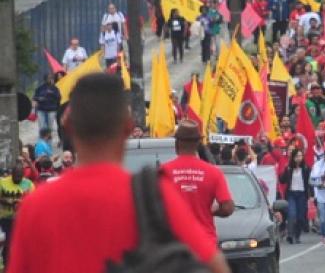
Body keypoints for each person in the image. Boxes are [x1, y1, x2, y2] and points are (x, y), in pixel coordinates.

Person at [7, 73, 230, 273]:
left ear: (67, 124)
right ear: (127, 126)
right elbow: (215, 266)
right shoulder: (153, 198)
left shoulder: (35, 207)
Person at [161, 120, 234, 241]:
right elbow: (228, 208)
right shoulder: (213, 172)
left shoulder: (163, 172)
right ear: (198, 143)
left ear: (177, 143)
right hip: (205, 245)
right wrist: (212, 210)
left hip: (175, 246)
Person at [0, 162, 35, 264]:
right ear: (12, 173)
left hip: (21, 219)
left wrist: (22, 203)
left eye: (19, 176)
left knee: (18, 243)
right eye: (15, 176)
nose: (17, 178)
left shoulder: (28, 184)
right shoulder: (3, 182)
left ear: (23, 175)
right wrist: (8, 201)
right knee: (8, 242)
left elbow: (33, 202)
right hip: (5, 218)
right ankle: (7, 263)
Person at [279, 148, 311, 244]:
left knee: (300, 216)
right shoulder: (289, 168)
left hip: (302, 194)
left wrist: (311, 195)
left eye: (300, 156)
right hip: (291, 194)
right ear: (293, 157)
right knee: (292, 214)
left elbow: (310, 182)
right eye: (297, 156)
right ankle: (290, 235)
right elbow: (282, 180)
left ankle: (297, 235)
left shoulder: (306, 168)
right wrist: (285, 171)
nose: (299, 158)